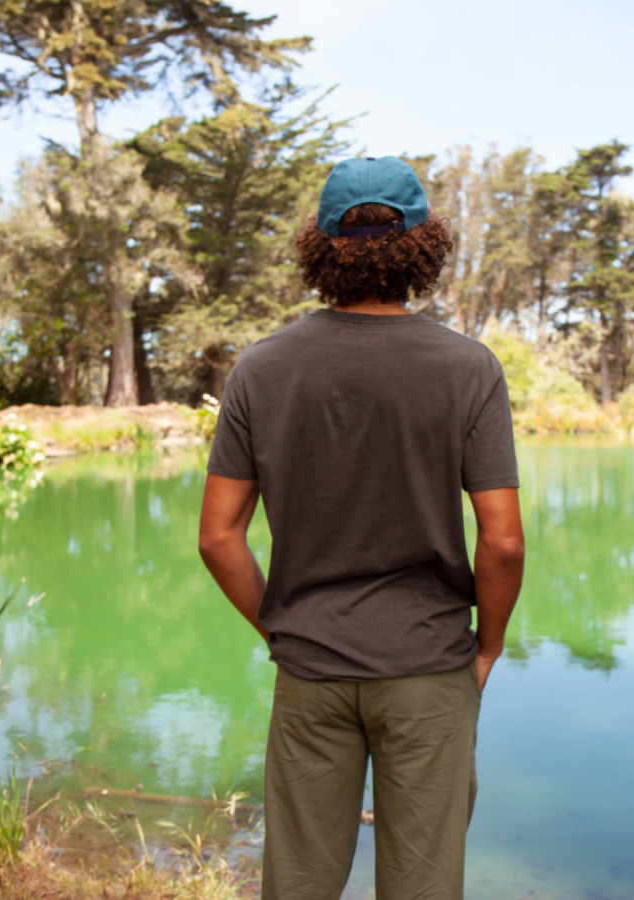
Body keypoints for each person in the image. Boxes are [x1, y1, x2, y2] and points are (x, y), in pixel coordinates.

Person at [198, 155, 525, 900]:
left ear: (320, 245)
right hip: (429, 666)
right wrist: (488, 647)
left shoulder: (261, 368)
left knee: (299, 884)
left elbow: (219, 537)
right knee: (423, 884)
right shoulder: (469, 368)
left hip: (310, 668)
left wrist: (283, 629)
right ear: (423, 243)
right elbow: (502, 540)